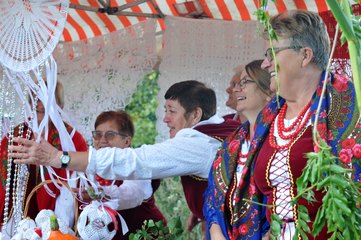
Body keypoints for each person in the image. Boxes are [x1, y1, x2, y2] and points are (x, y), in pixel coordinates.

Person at [9, 80, 239, 238]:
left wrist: (59, 157)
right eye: (97, 135)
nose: (166, 119)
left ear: (196, 114)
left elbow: (137, 165)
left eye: (171, 111)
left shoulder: (198, 141)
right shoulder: (222, 130)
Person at [209, 10, 361, 239]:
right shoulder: (268, 119)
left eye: (272, 52)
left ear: (305, 55)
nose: (265, 63)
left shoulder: (347, 105)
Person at [0, 81, 88, 236]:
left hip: (56, 215)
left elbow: (77, 182)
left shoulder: (71, 138)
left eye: (48, 99)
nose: (41, 104)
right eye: (36, 98)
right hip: (17, 214)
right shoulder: (15, 135)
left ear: (60, 105)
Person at [203, 60, 272, 240]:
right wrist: (216, 232)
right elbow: (212, 196)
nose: (235, 89)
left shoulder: (278, 141)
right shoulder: (231, 144)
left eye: (245, 83)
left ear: (268, 91)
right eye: (237, 84)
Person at [87, 110, 166, 239]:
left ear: (127, 141)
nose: (102, 140)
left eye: (110, 135)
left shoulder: (137, 165)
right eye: (98, 135)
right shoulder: (90, 169)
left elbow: (133, 194)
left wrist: (103, 194)